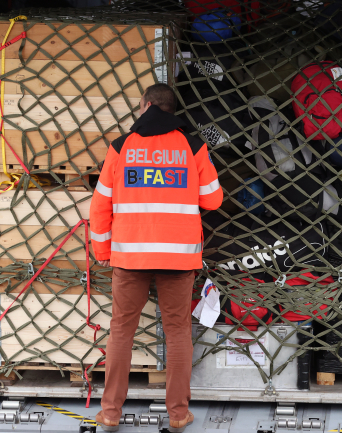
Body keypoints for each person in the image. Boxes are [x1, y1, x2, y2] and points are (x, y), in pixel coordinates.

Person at [90, 83, 222, 432]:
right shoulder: (193, 146)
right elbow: (213, 199)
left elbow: (100, 205)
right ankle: (178, 413)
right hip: (179, 260)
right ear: (170, 109)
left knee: (121, 331)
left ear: (145, 105)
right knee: (177, 331)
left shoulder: (121, 147)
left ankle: (110, 413)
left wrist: (102, 250)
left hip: (130, 257)